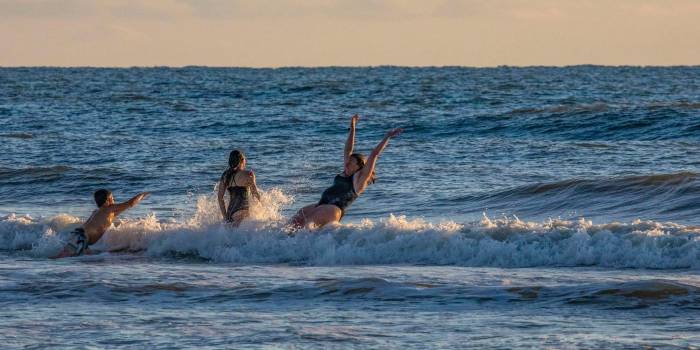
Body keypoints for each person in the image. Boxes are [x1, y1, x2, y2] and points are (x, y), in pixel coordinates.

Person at [290, 114, 402, 229]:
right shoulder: (346, 170)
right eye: (347, 161)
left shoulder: (359, 180)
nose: (346, 164)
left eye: (350, 162)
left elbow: (374, 154)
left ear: (359, 166)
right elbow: (348, 149)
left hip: (332, 209)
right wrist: (353, 127)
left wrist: (387, 137)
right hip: (320, 204)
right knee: (295, 222)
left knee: (305, 228)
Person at [53, 189, 149, 258]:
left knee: (67, 257)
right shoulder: (108, 209)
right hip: (82, 238)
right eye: (113, 198)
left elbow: (121, 210)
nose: (114, 200)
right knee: (61, 258)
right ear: (108, 201)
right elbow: (130, 203)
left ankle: (45, 263)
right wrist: (143, 194)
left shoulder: (98, 212)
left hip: (79, 235)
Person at [217, 150, 262, 226]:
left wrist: (225, 217)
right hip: (242, 211)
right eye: (244, 159)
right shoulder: (248, 174)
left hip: (230, 213)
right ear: (241, 161)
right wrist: (263, 208)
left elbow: (220, 197)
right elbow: (255, 194)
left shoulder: (225, 175)